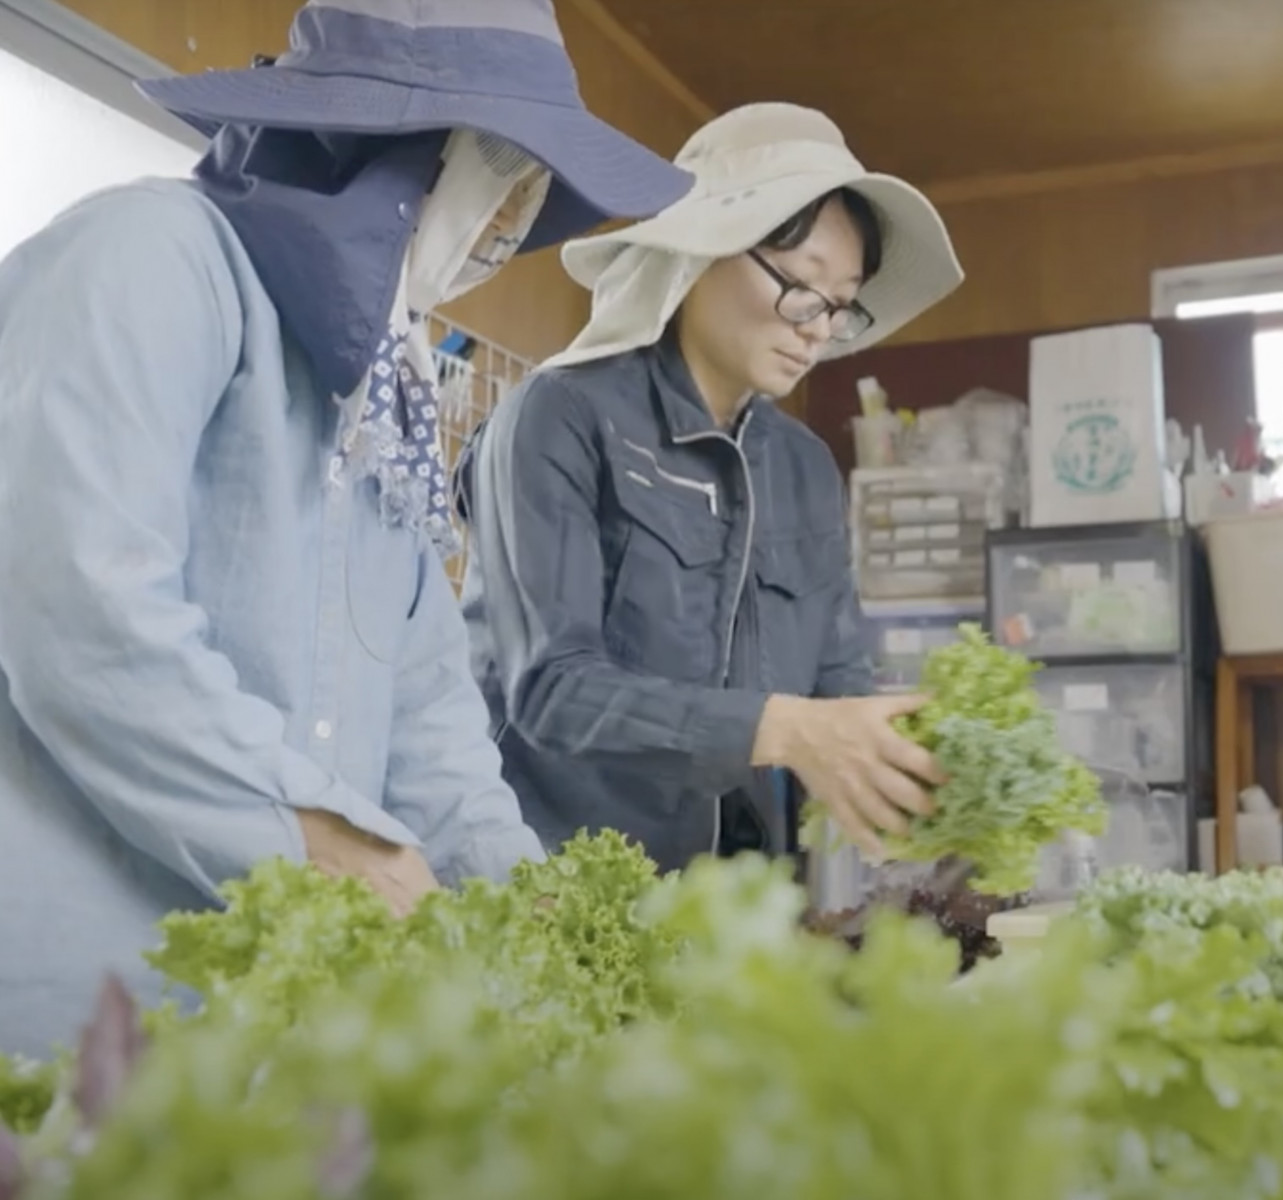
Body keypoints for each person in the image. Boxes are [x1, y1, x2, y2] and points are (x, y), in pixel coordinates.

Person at [0, 0, 693, 1059]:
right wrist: (315, 832)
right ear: (396, 154)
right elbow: (79, 616)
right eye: (503, 175)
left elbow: (427, 723)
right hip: (72, 1020)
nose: (513, 228)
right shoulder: (151, 257)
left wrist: (542, 920)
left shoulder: (387, 396)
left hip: (273, 1053)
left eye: (530, 196)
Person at [456, 102, 965, 871]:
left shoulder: (803, 467)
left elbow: (838, 688)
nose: (818, 328)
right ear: (700, 251)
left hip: (739, 912)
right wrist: (787, 729)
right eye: (801, 285)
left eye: (839, 305)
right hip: (557, 890)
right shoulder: (558, 415)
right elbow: (552, 691)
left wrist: (925, 762)